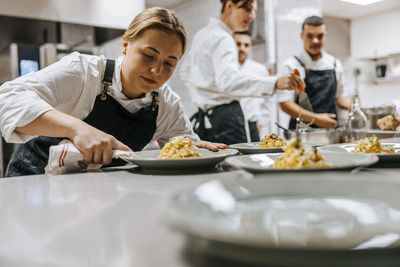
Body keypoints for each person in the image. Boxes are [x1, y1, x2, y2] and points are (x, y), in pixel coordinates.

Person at [0, 7, 226, 177]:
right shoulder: (84, 72)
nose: (157, 70)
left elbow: (182, 145)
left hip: (95, 197)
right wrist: (77, 129)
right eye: (149, 55)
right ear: (126, 44)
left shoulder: (166, 103)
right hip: (34, 182)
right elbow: (7, 97)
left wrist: (194, 150)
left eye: (169, 63)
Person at [180, 0, 304, 145]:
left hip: (207, 118)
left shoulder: (202, 34)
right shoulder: (224, 39)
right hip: (228, 120)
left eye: (254, 11)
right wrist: (275, 82)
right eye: (248, 9)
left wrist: (205, 94)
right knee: (236, 166)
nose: (252, 16)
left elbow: (185, 72)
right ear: (229, 5)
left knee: (215, 165)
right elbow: (228, 82)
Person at [278, 15, 351, 130]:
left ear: (325, 36)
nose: (315, 41)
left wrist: (355, 107)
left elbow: (340, 96)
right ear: (302, 36)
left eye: (320, 36)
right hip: (301, 134)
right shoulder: (291, 65)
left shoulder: (335, 64)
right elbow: (285, 104)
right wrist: (316, 119)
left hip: (330, 132)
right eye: (310, 36)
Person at [233, 31, 270, 142]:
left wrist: (261, 124)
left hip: (252, 125)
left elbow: (267, 101)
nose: (242, 48)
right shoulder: (226, 69)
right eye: (238, 44)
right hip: (230, 125)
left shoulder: (259, 70)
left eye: (246, 45)